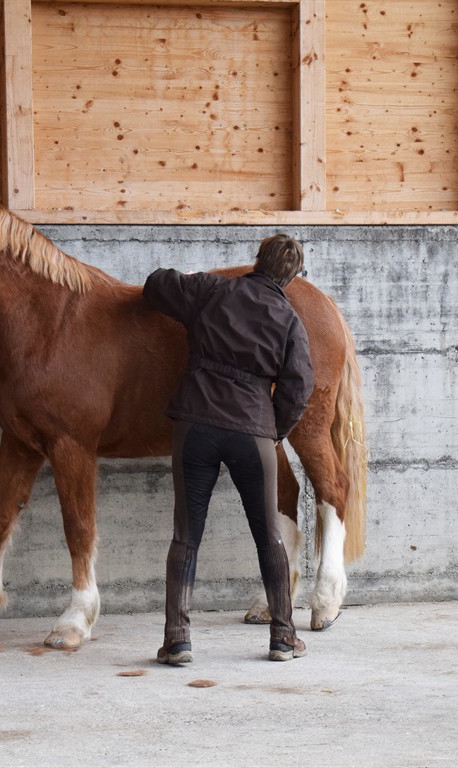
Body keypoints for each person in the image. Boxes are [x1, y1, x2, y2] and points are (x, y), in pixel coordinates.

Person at [143, 234, 314, 664]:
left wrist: (189, 274)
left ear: (256, 261)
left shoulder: (213, 290)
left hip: (195, 423)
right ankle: (282, 637)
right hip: (252, 432)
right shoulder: (290, 320)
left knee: (186, 535)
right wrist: (272, 428)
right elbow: (299, 387)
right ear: (291, 278)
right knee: (269, 538)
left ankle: (178, 641)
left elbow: (155, 284)